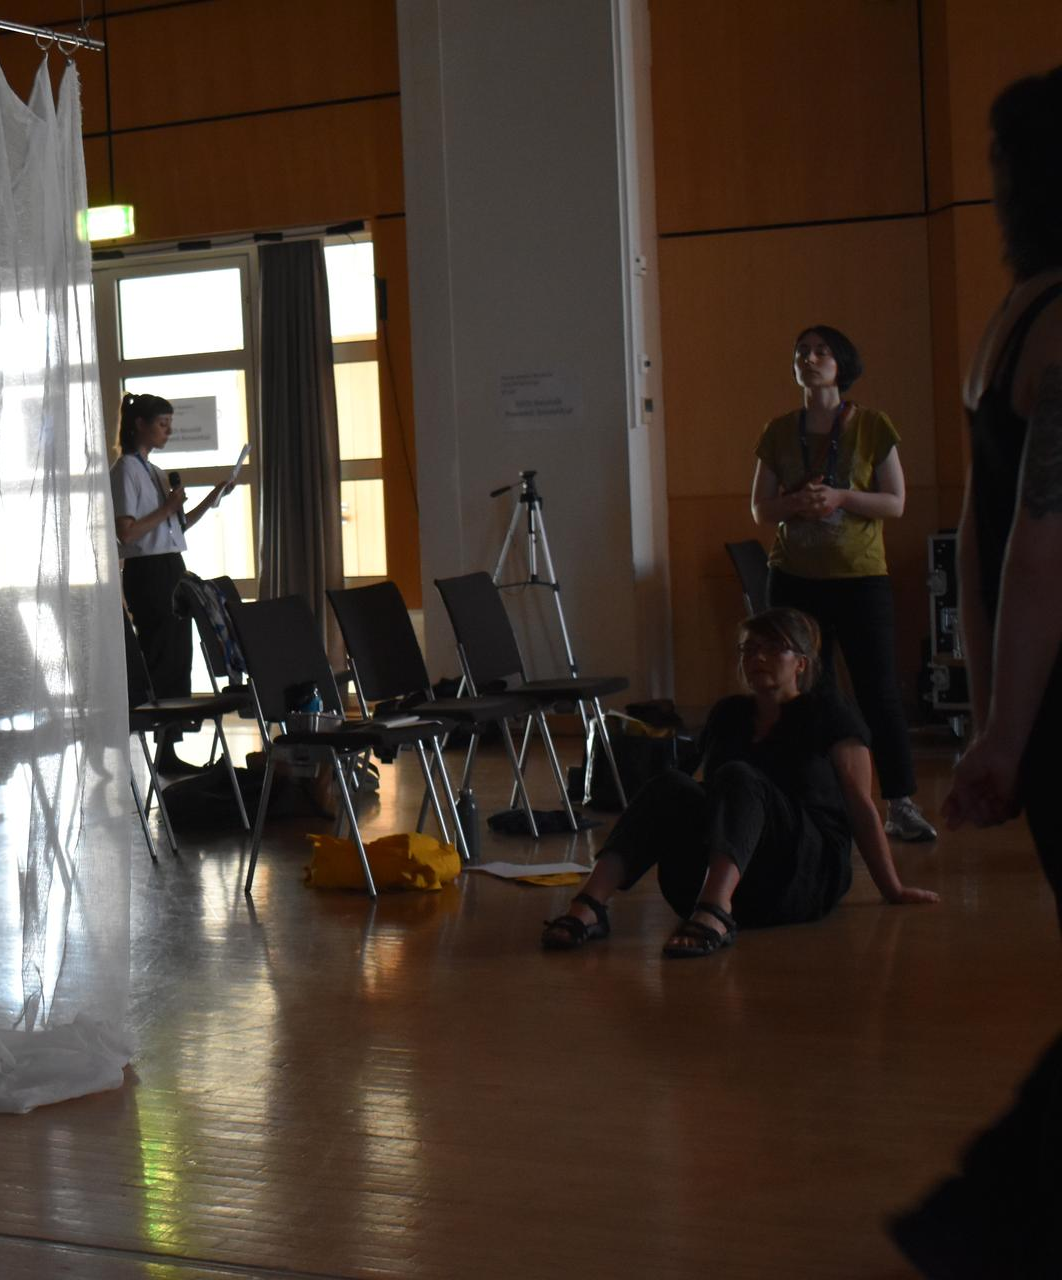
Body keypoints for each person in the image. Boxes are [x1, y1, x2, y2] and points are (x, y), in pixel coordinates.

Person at [888, 63, 1062, 1279]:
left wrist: (989, 705)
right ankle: (981, 1221)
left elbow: (975, 538)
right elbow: (1038, 539)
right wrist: (997, 728)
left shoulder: (1015, 317)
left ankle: (989, 1220)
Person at [539, 608, 936, 958]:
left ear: (800, 662)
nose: (756, 657)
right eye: (748, 649)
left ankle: (715, 911)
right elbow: (682, 789)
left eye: (771, 648)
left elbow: (860, 805)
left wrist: (893, 888)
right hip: (725, 874)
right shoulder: (729, 714)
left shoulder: (829, 713)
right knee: (671, 785)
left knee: (739, 775)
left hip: (802, 874)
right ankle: (590, 905)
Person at [750, 325, 939, 843]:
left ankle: (900, 803)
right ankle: (812, 797)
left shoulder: (873, 426)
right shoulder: (778, 430)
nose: (809, 359)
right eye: (801, 352)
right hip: (793, 580)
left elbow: (894, 502)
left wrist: (839, 498)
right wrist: (797, 504)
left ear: (842, 365)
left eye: (821, 351)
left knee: (878, 690)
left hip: (860, 580)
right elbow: (760, 508)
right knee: (807, 693)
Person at [110, 392, 230, 773]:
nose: (168, 431)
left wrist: (208, 501)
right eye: (162, 424)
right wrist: (166, 509)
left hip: (171, 565)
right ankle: (162, 751)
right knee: (162, 655)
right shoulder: (125, 470)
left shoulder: (156, 472)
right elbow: (127, 533)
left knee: (179, 656)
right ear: (139, 425)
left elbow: (172, 528)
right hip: (148, 572)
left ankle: (171, 747)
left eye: (169, 423)